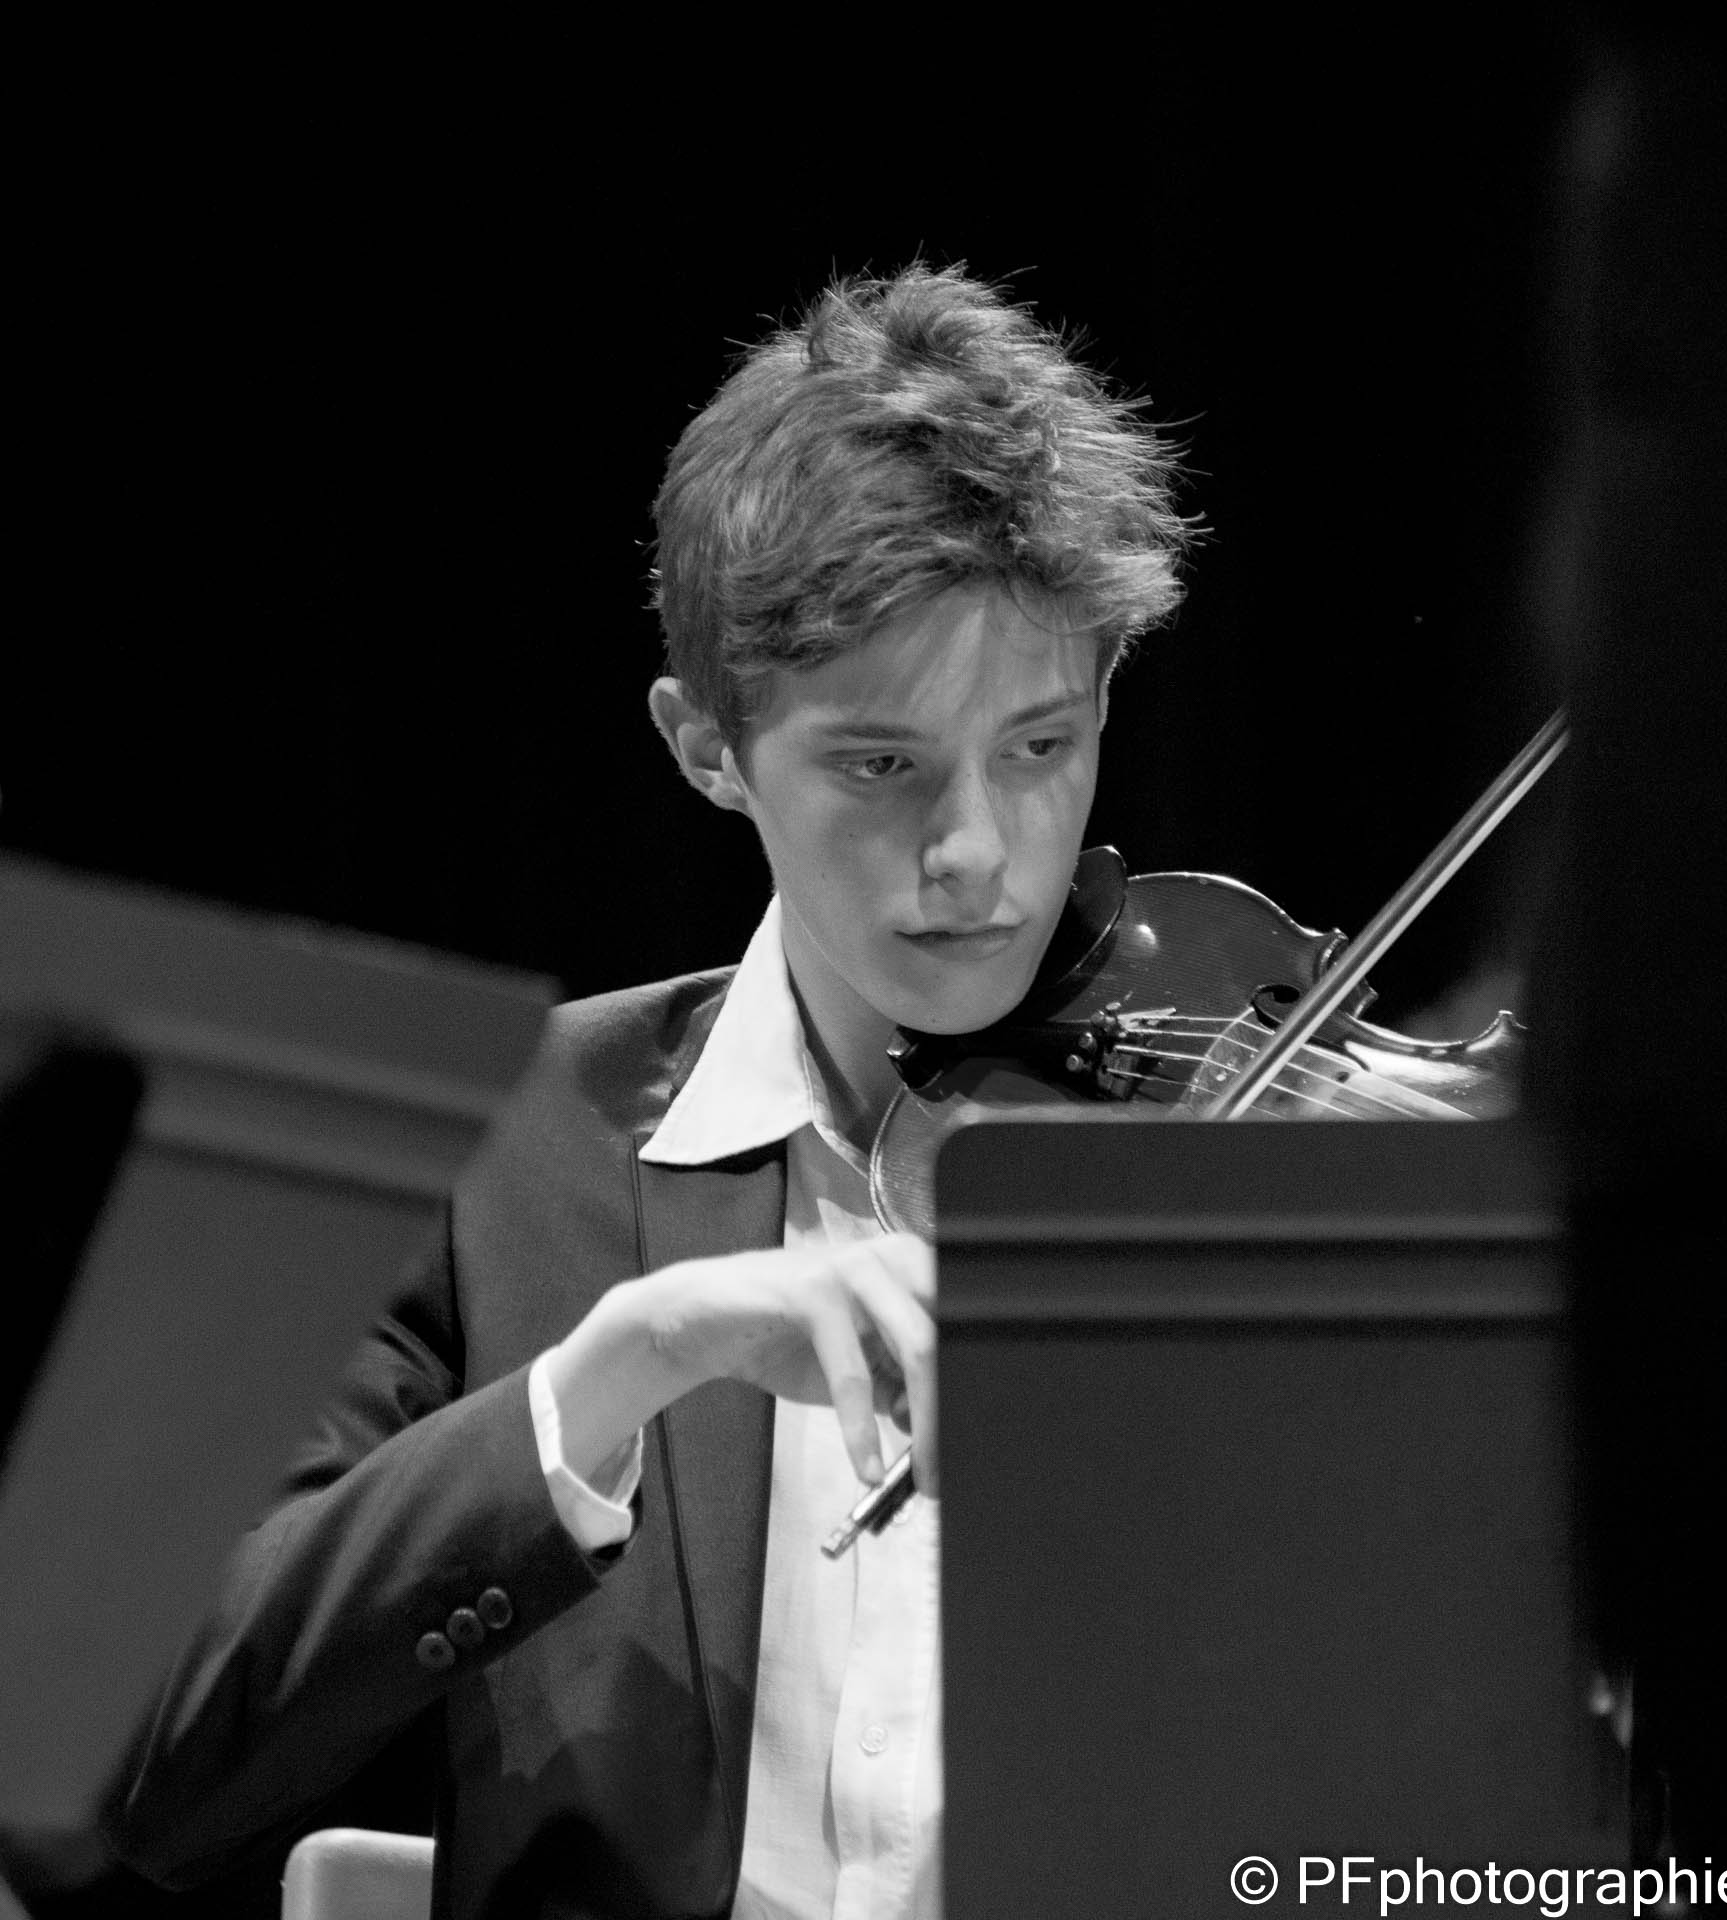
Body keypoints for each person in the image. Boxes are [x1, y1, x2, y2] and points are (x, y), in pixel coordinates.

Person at [102, 264, 1194, 1916]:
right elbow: (143, 1752)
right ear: (706, 748)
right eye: (880, 765)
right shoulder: (492, 1148)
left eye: (1039, 747)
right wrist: (617, 1373)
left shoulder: (1247, 1152)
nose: (977, 853)